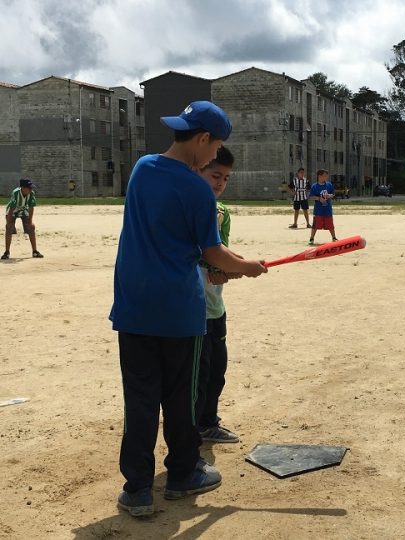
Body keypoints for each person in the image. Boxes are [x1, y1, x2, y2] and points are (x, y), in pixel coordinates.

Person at [110, 101, 267, 517]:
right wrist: (248, 267)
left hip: (134, 308)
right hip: (179, 312)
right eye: (215, 147)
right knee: (181, 397)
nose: (215, 155)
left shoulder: (142, 168)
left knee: (140, 400)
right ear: (202, 139)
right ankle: (182, 474)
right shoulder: (197, 189)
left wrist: (226, 264)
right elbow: (213, 252)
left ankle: (138, 490)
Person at [196, 146, 240, 443]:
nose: (220, 183)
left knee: (216, 371)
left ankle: (208, 421)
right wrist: (233, 265)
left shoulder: (222, 213)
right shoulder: (189, 207)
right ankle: (194, 425)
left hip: (215, 305)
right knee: (197, 374)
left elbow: (218, 255)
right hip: (192, 308)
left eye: (225, 178)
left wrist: (229, 267)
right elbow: (203, 254)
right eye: (214, 175)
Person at [2, 178, 43, 260]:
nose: (31, 189)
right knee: (9, 228)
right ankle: (7, 252)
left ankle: (35, 251)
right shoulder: (16, 193)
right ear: (23, 188)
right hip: (12, 210)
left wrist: (30, 221)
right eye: (29, 188)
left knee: (31, 228)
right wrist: (9, 221)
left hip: (23, 209)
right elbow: (12, 208)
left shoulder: (31, 194)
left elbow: (31, 207)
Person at [308, 169, 337, 245]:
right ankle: (311, 238)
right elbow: (310, 197)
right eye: (324, 176)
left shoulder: (329, 184)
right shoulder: (314, 186)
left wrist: (330, 195)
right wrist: (318, 198)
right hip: (318, 210)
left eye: (326, 176)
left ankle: (334, 237)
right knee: (315, 225)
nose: (326, 177)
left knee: (330, 224)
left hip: (327, 209)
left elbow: (333, 194)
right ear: (319, 176)